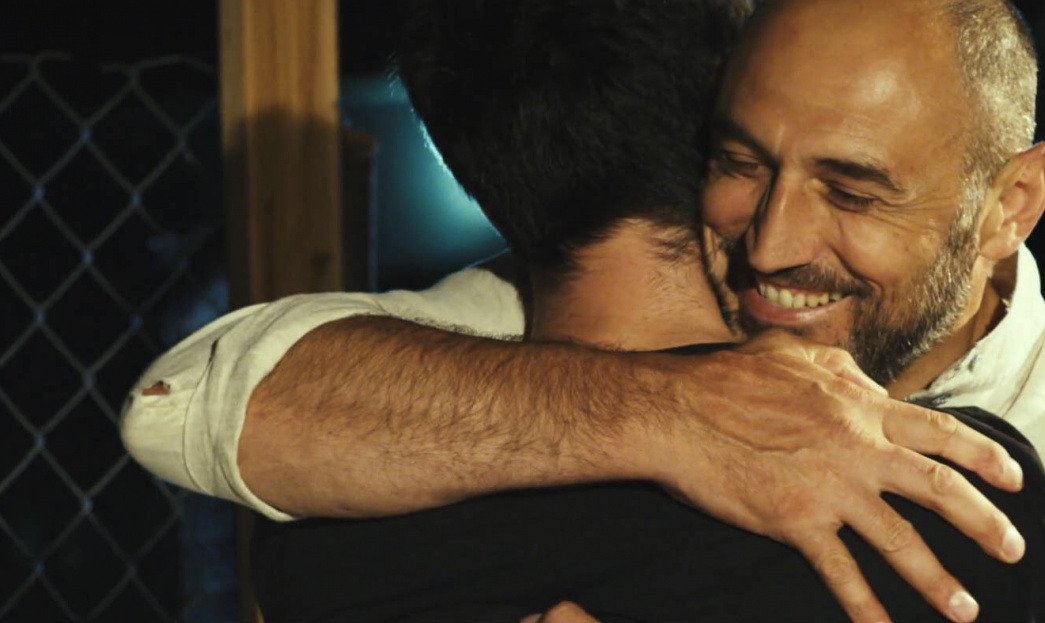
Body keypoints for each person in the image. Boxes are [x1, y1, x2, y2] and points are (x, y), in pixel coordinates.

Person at [119, 0, 1042, 619]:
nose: (769, 243)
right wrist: (679, 408)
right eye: (739, 160)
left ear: (1010, 205)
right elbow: (185, 403)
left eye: (851, 192)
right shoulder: (568, 308)